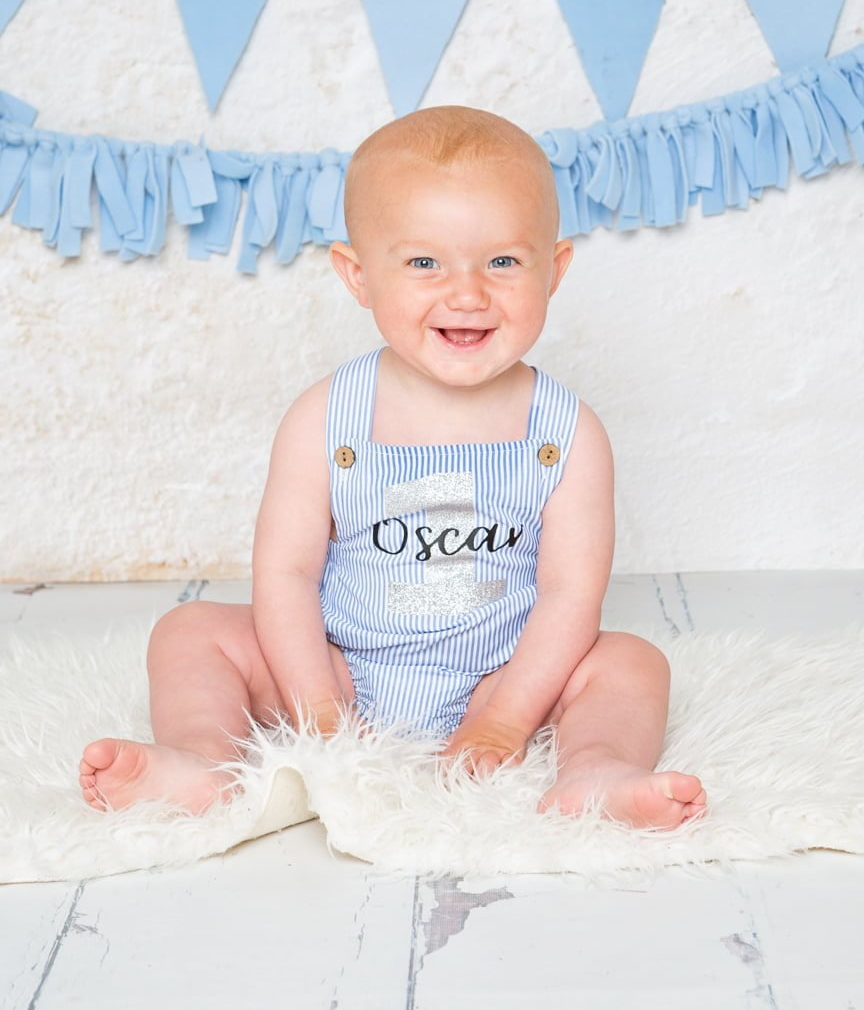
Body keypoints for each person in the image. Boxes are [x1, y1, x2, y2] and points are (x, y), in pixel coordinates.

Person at [80, 105, 706, 829]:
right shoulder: (325, 416)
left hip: (501, 675)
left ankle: (598, 772)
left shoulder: (567, 432)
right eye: (422, 263)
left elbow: (570, 594)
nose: (467, 292)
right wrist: (318, 711)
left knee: (631, 663)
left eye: (503, 261)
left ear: (555, 269)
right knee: (189, 632)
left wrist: (504, 720)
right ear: (358, 276)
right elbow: (286, 575)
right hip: (340, 664)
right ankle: (202, 760)